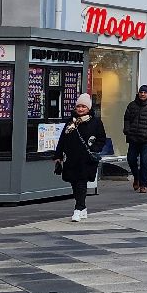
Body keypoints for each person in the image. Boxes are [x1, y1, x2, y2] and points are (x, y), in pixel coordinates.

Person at [54, 93, 107, 223]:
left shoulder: (95, 122)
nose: (81, 109)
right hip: (71, 158)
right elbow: (62, 140)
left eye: (83, 106)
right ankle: (82, 208)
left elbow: (101, 139)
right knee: (74, 183)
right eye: (79, 106)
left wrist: (94, 147)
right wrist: (58, 155)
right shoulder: (71, 122)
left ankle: (78, 209)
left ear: (88, 108)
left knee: (81, 183)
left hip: (86, 159)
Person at [123, 85, 147, 193]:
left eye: (145, 92)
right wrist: (127, 130)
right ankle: (136, 177)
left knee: (145, 162)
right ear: (138, 93)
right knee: (131, 159)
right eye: (141, 92)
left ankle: (143, 184)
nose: (143, 94)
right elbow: (126, 119)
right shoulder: (132, 106)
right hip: (133, 139)